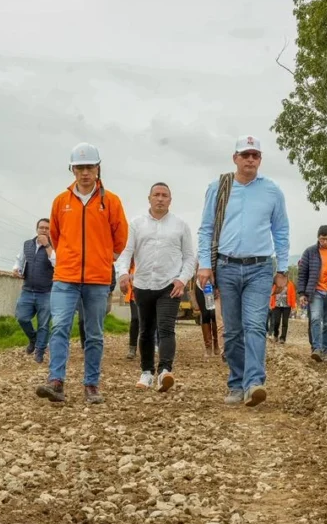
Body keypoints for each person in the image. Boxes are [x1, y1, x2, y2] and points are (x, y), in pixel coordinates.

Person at [197, 135, 290, 407]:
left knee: (254, 325)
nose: (250, 159)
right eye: (245, 154)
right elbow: (206, 229)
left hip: (260, 268)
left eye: (255, 155)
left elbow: (281, 231)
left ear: (260, 159)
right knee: (234, 329)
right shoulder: (218, 188)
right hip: (226, 266)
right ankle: (236, 382)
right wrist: (205, 264)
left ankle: (254, 383)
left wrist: (282, 268)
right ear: (235, 158)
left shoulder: (273, 191)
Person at [36, 142, 128, 404]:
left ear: (98, 169)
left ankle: (91, 384)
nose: (85, 172)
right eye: (79, 168)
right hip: (65, 276)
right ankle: (56, 381)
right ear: (72, 170)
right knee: (60, 327)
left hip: (97, 280)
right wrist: (66, 257)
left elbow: (120, 237)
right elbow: (55, 234)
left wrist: (105, 258)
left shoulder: (110, 202)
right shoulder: (60, 202)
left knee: (94, 332)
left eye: (89, 167)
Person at [117, 182, 196, 393]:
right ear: (149, 198)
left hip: (169, 285)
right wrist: (123, 272)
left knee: (166, 328)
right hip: (143, 285)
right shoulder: (136, 223)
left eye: (164, 195)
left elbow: (189, 257)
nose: (160, 199)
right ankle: (146, 372)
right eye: (156, 195)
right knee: (146, 330)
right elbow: (127, 251)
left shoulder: (180, 226)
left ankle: (164, 372)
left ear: (170, 200)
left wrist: (182, 279)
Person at [12, 218, 54, 364]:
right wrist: (16, 268)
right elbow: (20, 259)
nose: (44, 230)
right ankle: (34, 339)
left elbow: (57, 262)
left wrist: (47, 245)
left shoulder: (54, 246)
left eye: (47, 228)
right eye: (41, 227)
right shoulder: (27, 244)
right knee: (21, 317)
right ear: (36, 229)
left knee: (43, 324)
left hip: (46, 291)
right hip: (28, 289)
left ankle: (40, 352)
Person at [297, 225, 327, 362]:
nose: (325, 242)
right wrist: (302, 293)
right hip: (315, 291)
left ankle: (326, 350)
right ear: (318, 238)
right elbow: (302, 274)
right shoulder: (310, 252)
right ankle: (316, 348)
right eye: (322, 239)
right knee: (315, 318)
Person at [196, 263, 221, 357]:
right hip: (200, 286)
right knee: (205, 314)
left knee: (214, 314)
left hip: (214, 285)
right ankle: (208, 346)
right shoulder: (200, 252)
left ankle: (216, 343)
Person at [267, 273, 296, 343]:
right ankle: (276, 335)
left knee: (285, 322)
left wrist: (293, 306)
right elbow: (272, 294)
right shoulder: (276, 283)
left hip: (287, 306)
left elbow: (293, 295)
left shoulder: (290, 284)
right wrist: (270, 304)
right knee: (276, 322)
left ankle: (283, 338)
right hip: (277, 306)